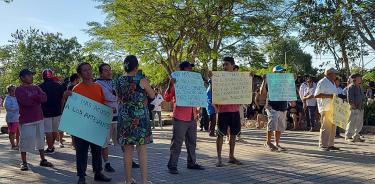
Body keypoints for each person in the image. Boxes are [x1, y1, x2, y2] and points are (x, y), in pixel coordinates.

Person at [63, 63, 111, 184]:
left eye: (89, 69)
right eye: (85, 70)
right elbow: (71, 109)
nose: (88, 72)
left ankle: (98, 173)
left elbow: (102, 104)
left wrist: (108, 111)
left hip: (95, 126)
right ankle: (81, 176)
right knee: (81, 152)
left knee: (97, 151)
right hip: (81, 127)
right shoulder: (76, 89)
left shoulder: (97, 87)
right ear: (80, 74)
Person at [116, 55, 155, 184]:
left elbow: (118, 97)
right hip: (140, 117)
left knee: (127, 150)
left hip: (125, 117)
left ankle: (128, 181)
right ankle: (144, 181)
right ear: (136, 66)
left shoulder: (119, 80)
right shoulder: (141, 79)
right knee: (141, 149)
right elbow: (152, 95)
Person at [165, 60, 204, 174]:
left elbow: (199, 95)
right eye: (188, 67)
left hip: (192, 117)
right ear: (182, 70)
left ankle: (191, 163)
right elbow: (167, 98)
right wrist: (170, 84)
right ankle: (172, 165)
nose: (191, 69)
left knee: (192, 142)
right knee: (177, 143)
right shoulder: (176, 82)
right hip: (180, 117)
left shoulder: (194, 82)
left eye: (191, 67)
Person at [15, 69, 53, 171]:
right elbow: (26, 102)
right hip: (26, 120)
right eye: (29, 75)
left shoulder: (36, 87)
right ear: (22, 78)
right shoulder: (18, 90)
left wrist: (33, 97)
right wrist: (37, 98)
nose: (31, 77)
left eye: (32, 75)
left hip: (39, 118)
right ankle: (23, 162)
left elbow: (44, 98)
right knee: (25, 142)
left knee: (41, 140)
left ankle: (43, 160)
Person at [215, 57, 243, 167]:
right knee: (220, 135)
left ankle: (231, 157)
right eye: (223, 65)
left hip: (235, 111)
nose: (224, 67)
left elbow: (245, 91)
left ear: (232, 65)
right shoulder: (219, 78)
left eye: (226, 64)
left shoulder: (240, 78)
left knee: (233, 135)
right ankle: (219, 158)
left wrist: (249, 77)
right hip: (223, 111)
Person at [260, 65, 288, 152]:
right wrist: (264, 80)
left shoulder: (285, 81)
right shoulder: (270, 81)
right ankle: (268, 142)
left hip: (282, 107)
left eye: (282, 71)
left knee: (279, 126)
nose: (281, 73)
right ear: (274, 73)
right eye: (279, 72)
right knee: (272, 124)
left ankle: (276, 143)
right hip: (272, 106)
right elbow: (262, 92)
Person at [96, 63, 117, 173]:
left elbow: (118, 95)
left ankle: (130, 159)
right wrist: (114, 97)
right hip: (105, 116)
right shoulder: (97, 84)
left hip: (117, 116)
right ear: (101, 73)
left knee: (123, 140)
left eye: (109, 70)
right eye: (105, 70)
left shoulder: (115, 82)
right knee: (104, 142)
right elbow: (108, 96)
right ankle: (106, 163)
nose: (109, 72)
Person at [39, 69, 65, 153]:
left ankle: (50, 148)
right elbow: (62, 99)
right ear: (52, 75)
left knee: (48, 132)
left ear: (43, 77)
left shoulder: (40, 87)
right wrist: (61, 109)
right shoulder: (58, 86)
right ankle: (51, 146)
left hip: (45, 112)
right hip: (57, 111)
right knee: (54, 131)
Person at [314, 67, 340, 151]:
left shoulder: (332, 82)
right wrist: (330, 96)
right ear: (329, 74)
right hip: (325, 108)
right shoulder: (322, 82)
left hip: (333, 108)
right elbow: (316, 95)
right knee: (326, 127)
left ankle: (330, 144)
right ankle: (323, 145)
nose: (336, 75)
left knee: (333, 127)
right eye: (334, 73)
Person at [345, 74, 366, 143]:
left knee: (359, 123)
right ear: (355, 79)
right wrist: (353, 106)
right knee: (352, 122)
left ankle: (356, 136)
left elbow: (362, 96)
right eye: (359, 78)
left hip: (360, 107)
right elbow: (350, 98)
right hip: (354, 107)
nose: (360, 79)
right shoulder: (351, 87)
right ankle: (348, 136)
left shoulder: (360, 86)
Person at [3, 85, 20, 150]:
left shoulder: (17, 97)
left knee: (18, 132)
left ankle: (18, 144)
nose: (14, 91)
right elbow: (8, 107)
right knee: (12, 132)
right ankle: (13, 145)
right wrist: (18, 107)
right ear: (9, 91)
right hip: (11, 118)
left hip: (18, 117)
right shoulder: (7, 98)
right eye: (12, 90)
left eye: (15, 90)